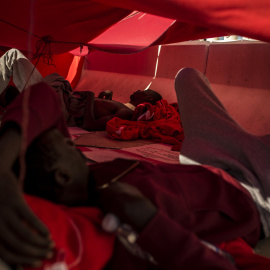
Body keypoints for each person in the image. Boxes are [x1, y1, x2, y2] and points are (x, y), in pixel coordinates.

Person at [0, 68, 269, 269]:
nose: (75, 145)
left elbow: (43, 94)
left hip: (202, 160)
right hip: (252, 191)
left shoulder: (88, 177)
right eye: (70, 147)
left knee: (187, 76)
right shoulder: (125, 229)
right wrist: (148, 221)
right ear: (62, 175)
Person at [0, 48, 162, 131]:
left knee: (13, 56)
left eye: (144, 92)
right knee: (13, 79)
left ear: (147, 100)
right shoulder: (122, 106)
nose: (139, 90)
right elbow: (93, 110)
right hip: (60, 101)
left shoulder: (125, 113)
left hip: (57, 104)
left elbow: (89, 124)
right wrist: (103, 99)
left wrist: (90, 96)